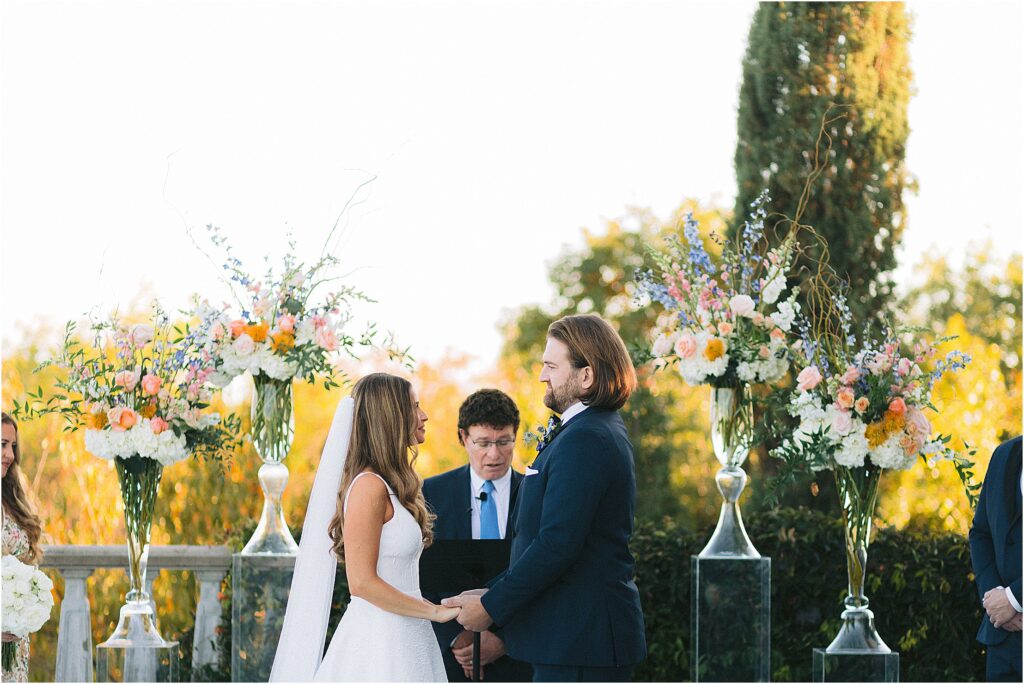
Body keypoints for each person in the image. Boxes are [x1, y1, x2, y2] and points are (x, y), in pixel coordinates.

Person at [445, 314, 646, 682]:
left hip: (582, 643)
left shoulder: (587, 437)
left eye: (552, 366)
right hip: (573, 640)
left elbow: (557, 544)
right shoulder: (588, 430)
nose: (542, 375)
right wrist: (488, 590)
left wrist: (491, 606)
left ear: (586, 376)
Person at [270, 373, 458, 682]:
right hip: (379, 641)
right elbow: (362, 583)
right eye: (414, 407)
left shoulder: (392, 485)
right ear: (390, 417)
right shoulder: (369, 487)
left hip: (409, 633)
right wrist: (433, 612)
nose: (423, 416)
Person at [422, 389, 531, 682]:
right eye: (483, 443)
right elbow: (419, 573)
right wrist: (458, 638)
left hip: (519, 658)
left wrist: (505, 640)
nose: (494, 454)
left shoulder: (536, 493)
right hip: (448, 659)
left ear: (515, 436)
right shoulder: (430, 493)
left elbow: (542, 573)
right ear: (463, 437)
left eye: (504, 441)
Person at [969, 435, 1023, 682]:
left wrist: (1014, 599)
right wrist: (997, 600)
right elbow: (981, 533)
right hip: (1003, 643)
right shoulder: (1003, 455)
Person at [2, 412, 44, 684]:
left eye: (12, 446)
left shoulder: (10, 499)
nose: (9, 454)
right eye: (2, 444)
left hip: (14, 645)